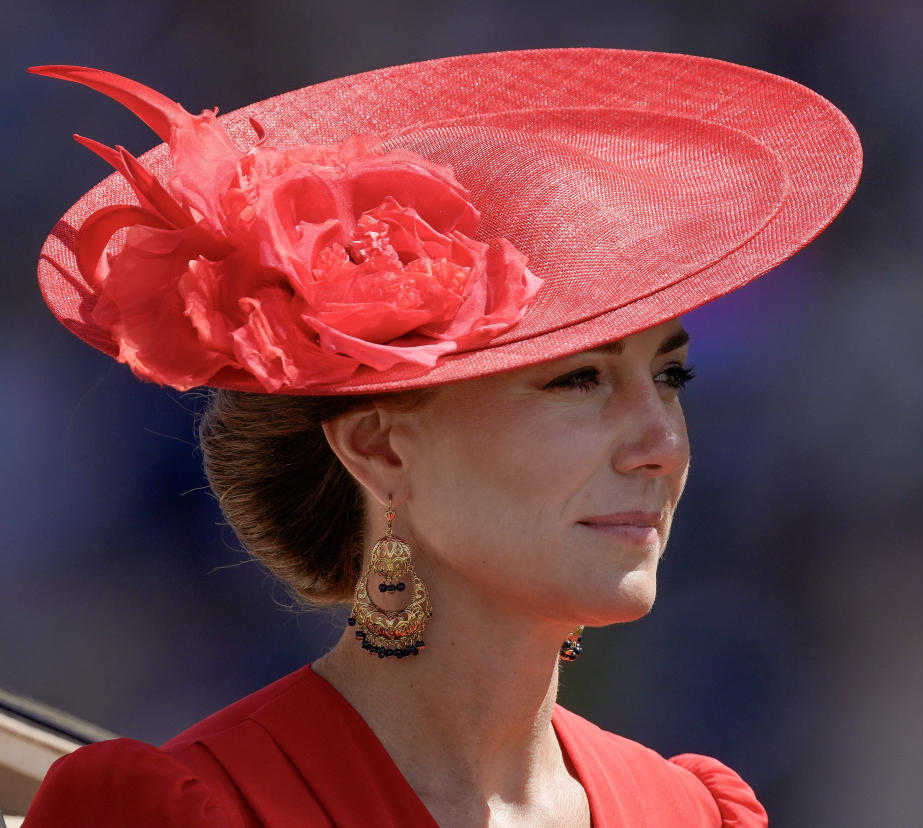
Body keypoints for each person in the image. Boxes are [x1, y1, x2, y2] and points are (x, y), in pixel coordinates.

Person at [20, 49, 860, 826]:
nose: (661, 444)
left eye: (670, 377)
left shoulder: (686, 812)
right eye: (579, 379)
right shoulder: (190, 812)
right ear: (382, 451)